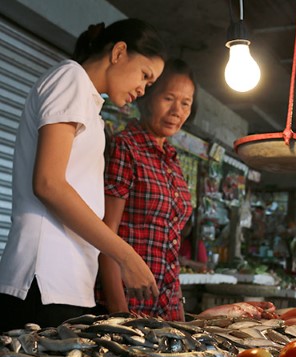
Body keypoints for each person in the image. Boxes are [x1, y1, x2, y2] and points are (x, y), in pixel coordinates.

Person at [0, 18, 166, 332]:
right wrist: (125, 256)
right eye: (145, 75)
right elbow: (48, 184)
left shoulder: (90, 105)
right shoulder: (71, 79)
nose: (143, 89)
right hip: (42, 283)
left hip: (64, 284)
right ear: (119, 52)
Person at [97, 59, 197, 321]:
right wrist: (120, 315)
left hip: (167, 306)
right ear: (147, 97)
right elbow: (106, 235)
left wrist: (180, 317)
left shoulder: (172, 160)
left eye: (185, 103)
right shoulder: (125, 148)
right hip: (128, 303)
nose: (177, 111)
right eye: (168, 98)